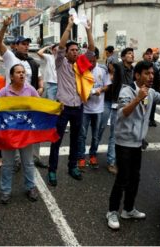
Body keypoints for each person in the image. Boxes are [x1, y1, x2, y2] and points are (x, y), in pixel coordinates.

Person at [106, 61, 160, 230]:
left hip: (137, 143)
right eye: (147, 73)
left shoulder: (152, 92)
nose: (151, 77)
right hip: (123, 142)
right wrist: (138, 98)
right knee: (122, 178)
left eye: (152, 74)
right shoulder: (127, 91)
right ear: (137, 75)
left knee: (135, 178)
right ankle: (112, 211)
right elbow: (122, 113)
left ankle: (128, 209)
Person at [46, 16, 95, 186]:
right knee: (57, 140)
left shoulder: (81, 63)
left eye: (76, 50)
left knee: (76, 138)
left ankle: (72, 166)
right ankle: (52, 170)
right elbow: (60, 46)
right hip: (63, 107)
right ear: (66, 53)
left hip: (78, 107)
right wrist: (69, 26)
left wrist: (88, 29)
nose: (75, 52)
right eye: (72, 50)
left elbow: (92, 50)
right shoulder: (60, 63)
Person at [0, 17, 46, 169]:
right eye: (23, 44)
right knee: (14, 130)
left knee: (32, 128)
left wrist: (41, 88)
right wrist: (4, 27)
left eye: (27, 44)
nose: (26, 46)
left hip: (29, 102)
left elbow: (39, 77)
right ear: (16, 46)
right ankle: (16, 161)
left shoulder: (32, 61)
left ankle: (34, 157)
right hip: (12, 102)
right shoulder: (10, 57)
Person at [0, 64, 39, 204]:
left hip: (26, 134)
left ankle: (30, 187)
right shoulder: (4, 92)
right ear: (11, 76)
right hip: (9, 135)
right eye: (18, 72)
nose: (22, 75)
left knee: (28, 163)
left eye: (23, 72)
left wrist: (55, 108)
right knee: (8, 164)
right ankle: (6, 191)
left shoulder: (30, 89)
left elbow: (41, 105)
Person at [98, 47, 135, 175]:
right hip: (112, 103)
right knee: (101, 128)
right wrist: (113, 61)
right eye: (129, 54)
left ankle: (111, 162)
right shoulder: (119, 67)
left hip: (123, 106)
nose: (132, 55)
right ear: (123, 57)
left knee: (116, 134)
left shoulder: (133, 71)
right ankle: (93, 151)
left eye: (132, 53)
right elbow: (112, 63)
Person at [77, 47, 111, 170]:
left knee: (96, 135)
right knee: (82, 135)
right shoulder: (82, 70)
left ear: (96, 58)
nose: (90, 63)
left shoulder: (102, 70)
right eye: (88, 60)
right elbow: (78, 88)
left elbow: (107, 85)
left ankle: (93, 155)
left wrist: (100, 90)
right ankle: (81, 157)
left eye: (92, 60)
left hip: (98, 109)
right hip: (85, 109)